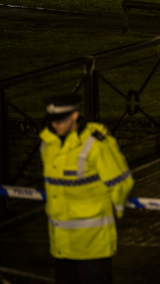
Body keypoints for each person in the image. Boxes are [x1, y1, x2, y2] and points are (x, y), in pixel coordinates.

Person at [39, 94, 134, 284]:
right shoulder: (47, 144)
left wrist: (117, 210)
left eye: (61, 120)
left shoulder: (96, 145)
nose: (55, 125)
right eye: (52, 121)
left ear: (74, 116)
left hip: (93, 246)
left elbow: (121, 182)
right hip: (61, 245)